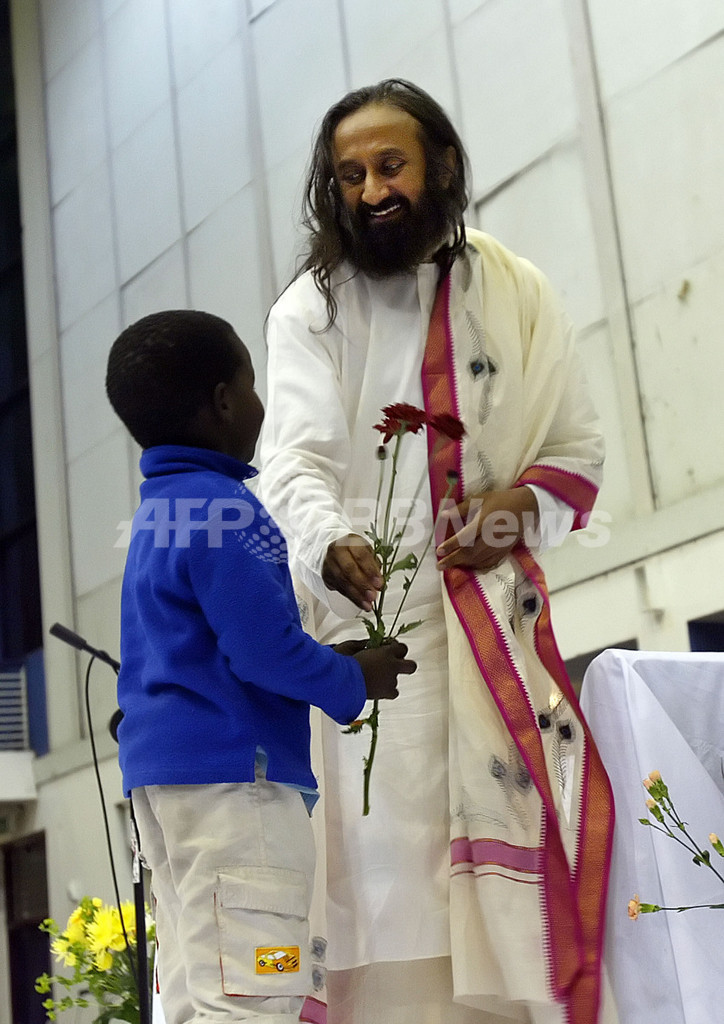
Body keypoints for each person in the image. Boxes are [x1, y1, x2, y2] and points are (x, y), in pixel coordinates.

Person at [259, 80, 617, 1024]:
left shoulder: (516, 290)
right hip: (366, 658)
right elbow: (288, 462)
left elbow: (578, 455)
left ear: (442, 167)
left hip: (486, 642)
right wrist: (329, 540)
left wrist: (516, 509)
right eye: (349, 175)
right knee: (383, 900)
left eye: (390, 165)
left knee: (496, 914)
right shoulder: (310, 312)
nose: (372, 190)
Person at [105, 309, 416, 1024]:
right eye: (251, 382)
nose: (259, 401)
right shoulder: (226, 509)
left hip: (171, 789)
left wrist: (326, 660)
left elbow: (222, 647)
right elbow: (262, 650)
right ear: (222, 401)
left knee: (194, 994)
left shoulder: (164, 510)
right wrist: (351, 679)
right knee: (257, 991)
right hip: (235, 793)